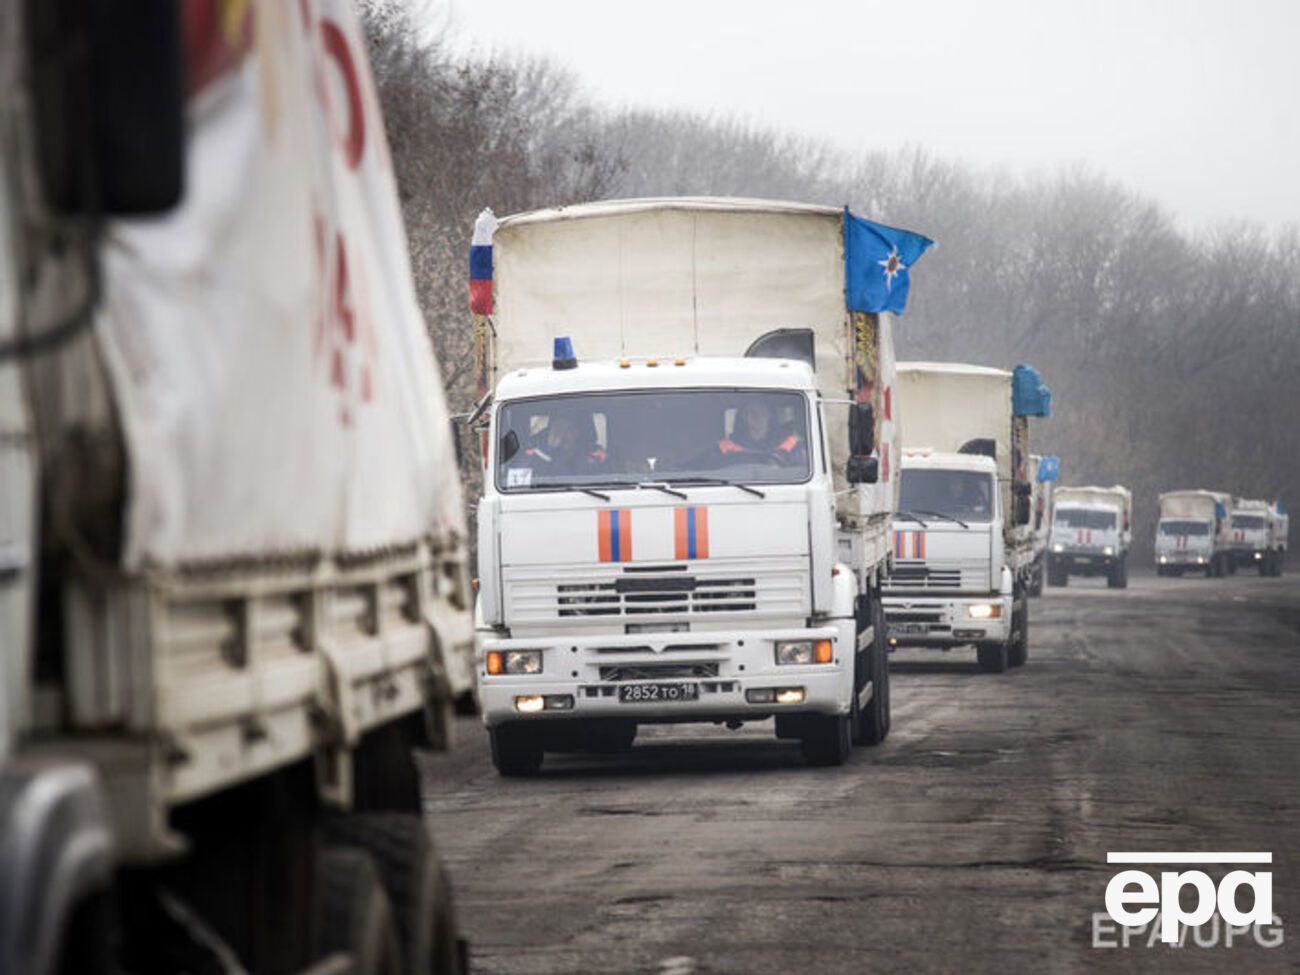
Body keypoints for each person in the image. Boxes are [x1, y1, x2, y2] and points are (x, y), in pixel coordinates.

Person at [716, 398, 804, 463]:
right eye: (752, 412)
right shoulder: (728, 447)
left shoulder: (790, 444)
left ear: (769, 415)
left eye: (762, 411)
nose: (757, 416)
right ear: (744, 417)